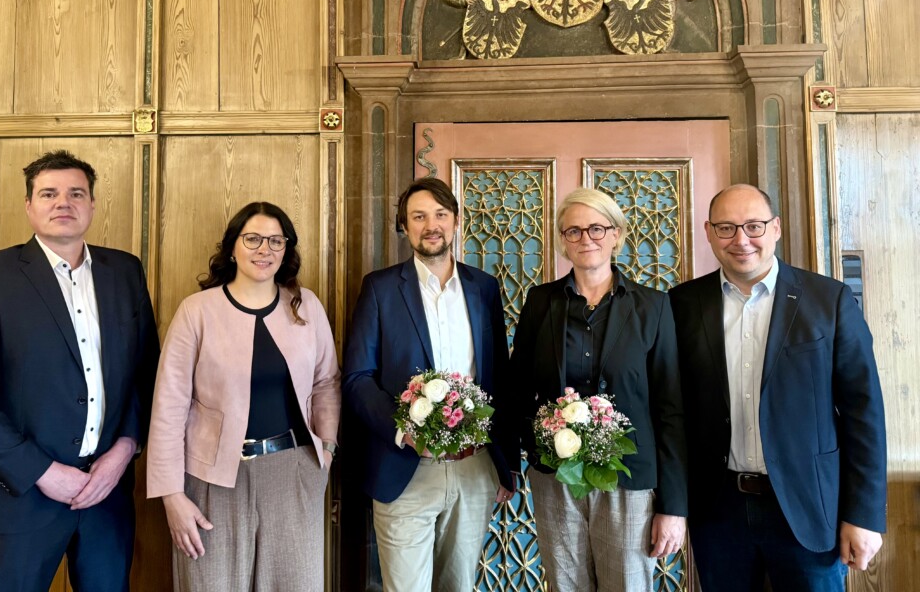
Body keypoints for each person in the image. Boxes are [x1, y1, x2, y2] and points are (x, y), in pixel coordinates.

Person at [0, 150, 160, 592]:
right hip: (19, 493)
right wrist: (43, 472)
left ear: (92, 204)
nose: (63, 202)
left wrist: (124, 449)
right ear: (29, 205)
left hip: (106, 493)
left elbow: (145, 373)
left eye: (76, 193)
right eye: (49, 193)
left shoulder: (125, 271)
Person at [669, 184, 886, 592]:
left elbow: (864, 412)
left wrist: (865, 515)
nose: (741, 240)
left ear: (776, 228)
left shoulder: (829, 300)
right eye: (726, 228)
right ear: (709, 232)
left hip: (810, 506)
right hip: (719, 510)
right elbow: (673, 413)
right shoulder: (681, 305)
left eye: (754, 226)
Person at [146, 201, 340, 592]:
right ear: (233, 246)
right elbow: (169, 406)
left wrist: (327, 450)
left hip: (292, 472)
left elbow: (326, 383)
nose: (264, 249)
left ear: (286, 249)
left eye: (275, 241)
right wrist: (171, 495)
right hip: (212, 480)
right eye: (252, 239)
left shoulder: (306, 306)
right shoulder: (196, 311)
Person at [343, 177, 518, 592]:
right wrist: (403, 430)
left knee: (459, 585)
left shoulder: (484, 288)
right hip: (404, 467)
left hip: (474, 468)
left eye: (440, 214)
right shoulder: (380, 288)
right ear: (404, 225)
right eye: (418, 217)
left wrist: (507, 462)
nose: (431, 225)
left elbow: (500, 377)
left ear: (456, 221)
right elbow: (357, 378)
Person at [509, 187, 688, 592]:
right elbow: (518, 387)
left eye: (596, 228)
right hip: (557, 477)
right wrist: (535, 445)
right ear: (563, 240)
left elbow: (671, 409)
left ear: (616, 234)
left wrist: (674, 507)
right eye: (573, 231)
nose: (585, 238)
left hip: (628, 479)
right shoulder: (540, 302)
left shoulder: (653, 306)